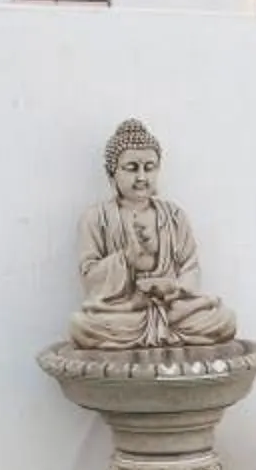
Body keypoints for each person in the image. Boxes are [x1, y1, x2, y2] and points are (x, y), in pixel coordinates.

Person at [69, 120, 239, 349]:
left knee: (223, 319)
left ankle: (165, 332)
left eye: (149, 167)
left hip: (172, 311)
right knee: (82, 325)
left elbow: (191, 267)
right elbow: (89, 277)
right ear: (112, 173)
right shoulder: (96, 218)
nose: (141, 177)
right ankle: (161, 336)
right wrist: (125, 258)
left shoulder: (174, 216)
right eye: (132, 168)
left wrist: (175, 288)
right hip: (125, 311)